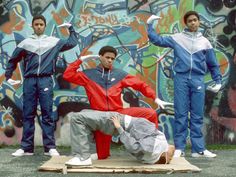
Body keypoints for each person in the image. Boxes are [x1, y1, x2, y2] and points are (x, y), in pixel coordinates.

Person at [63, 46, 173, 159]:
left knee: (151, 114)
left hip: (119, 114)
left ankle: (154, 147)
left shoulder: (120, 74)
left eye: (112, 58)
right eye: (107, 57)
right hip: (100, 117)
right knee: (102, 156)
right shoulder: (88, 75)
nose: (110, 60)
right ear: (100, 57)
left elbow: (140, 84)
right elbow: (67, 75)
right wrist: (80, 60)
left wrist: (155, 98)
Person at [147, 11, 222, 158]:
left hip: (198, 80)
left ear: (199, 21)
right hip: (181, 79)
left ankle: (198, 149)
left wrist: (218, 80)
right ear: (186, 24)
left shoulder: (205, 42)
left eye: (195, 20)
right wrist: (149, 25)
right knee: (180, 113)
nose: (193, 23)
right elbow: (157, 40)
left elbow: (213, 64)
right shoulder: (177, 39)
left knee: (197, 115)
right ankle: (180, 148)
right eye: (190, 21)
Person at [5, 15, 78, 156]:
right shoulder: (25, 43)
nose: (39, 26)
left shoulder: (53, 42)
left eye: (41, 24)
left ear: (44, 26)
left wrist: (71, 29)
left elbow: (72, 42)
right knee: (28, 114)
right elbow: (13, 60)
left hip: (46, 80)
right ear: (32, 26)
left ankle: (49, 147)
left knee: (47, 113)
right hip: (29, 80)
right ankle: (26, 148)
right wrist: (8, 76)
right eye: (36, 24)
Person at [65, 110, 175, 166]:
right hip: (122, 120)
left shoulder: (154, 148)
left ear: (164, 154)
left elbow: (134, 147)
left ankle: (83, 157)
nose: (172, 154)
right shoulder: (157, 147)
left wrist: (119, 127)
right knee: (84, 112)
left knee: (77, 118)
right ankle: (91, 154)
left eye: (170, 156)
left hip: (119, 121)